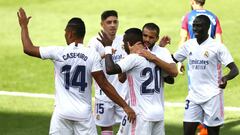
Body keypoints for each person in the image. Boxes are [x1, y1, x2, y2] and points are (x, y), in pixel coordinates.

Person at [17, 8, 136, 135]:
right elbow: (104, 85)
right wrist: (125, 106)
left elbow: (28, 48)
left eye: (65, 32)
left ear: (70, 33)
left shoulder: (58, 52)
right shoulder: (91, 55)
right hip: (83, 115)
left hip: (62, 114)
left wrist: (24, 26)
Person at [98, 27, 177, 135]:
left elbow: (110, 69)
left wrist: (107, 47)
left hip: (140, 114)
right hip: (158, 114)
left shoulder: (134, 58)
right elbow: (170, 79)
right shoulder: (154, 57)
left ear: (129, 44)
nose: (122, 46)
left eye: (123, 44)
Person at [172, 15, 239, 135]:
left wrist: (225, 78)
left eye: (199, 26)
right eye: (194, 26)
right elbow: (172, 60)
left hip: (212, 96)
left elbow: (234, 69)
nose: (195, 29)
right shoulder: (189, 45)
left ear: (208, 27)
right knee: (187, 132)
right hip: (193, 97)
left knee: (213, 133)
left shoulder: (217, 47)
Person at [88, 10, 129, 135]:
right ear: (102, 24)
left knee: (129, 126)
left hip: (123, 95)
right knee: (106, 129)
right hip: (103, 96)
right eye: (109, 22)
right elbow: (88, 64)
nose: (112, 25)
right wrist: (106, 53)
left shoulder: (124, 41)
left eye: (115, 22)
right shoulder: (94, 43)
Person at [178, 0, 223, 74]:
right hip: (211, 57)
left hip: (195, 59)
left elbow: (183, 39)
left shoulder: (188, 17)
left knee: (195, 84)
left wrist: (180, 61)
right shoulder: (213, 16)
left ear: (192, 2)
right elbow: (219, 42)